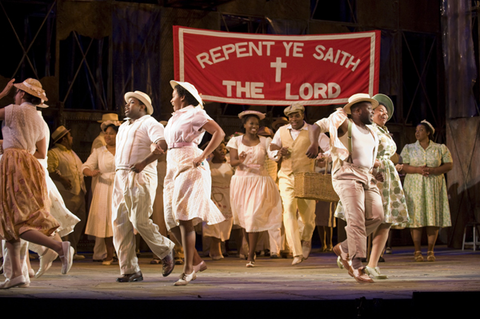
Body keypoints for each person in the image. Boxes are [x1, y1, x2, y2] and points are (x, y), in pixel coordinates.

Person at [0, 78, 73, 289]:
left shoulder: (14, 110)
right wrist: (17, 144)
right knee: (11, 221)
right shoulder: (40, 120)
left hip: (14, 164)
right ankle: (17, 275)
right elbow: (41, 152)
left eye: (16, 92)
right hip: (31, 164)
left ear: (22, 95)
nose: (15, 95)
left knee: (15, 221)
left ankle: (58, 247)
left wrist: (3, 93)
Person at [307, 93, 385, 283]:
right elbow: (316, 126)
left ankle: (344, 248)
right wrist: (313, 143)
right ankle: (358, 266)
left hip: (367, 176)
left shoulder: (372, 131)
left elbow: (366, 156)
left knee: (377, 216)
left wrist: (375, 171)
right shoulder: (344, 123)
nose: (372, 112)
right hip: (347, 174)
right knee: (356, 219)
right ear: (357, 110)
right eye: (369, 108)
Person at [334, 94, 409, 279]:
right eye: (378, 111)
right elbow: (352, 149)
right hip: (366, 174)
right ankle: (355, 259)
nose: (383, 114)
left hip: (387, 176)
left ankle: (371, 264)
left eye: (386, 112)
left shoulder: (383, 131)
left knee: (384, 219)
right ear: (369, 112)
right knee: (362, 218)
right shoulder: (364, 128)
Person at [164, 80, 225, 286]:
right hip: (172, 165)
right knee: (170, 218)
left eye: (173, 94)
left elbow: (219, 132)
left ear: (182, 96)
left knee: (183, 216)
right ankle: (197, 262)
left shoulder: (195, 113)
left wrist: (203, 156)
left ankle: (188, 270)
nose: (171, 98)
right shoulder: (175, 117)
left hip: (190, 163)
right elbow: (172, 143)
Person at [112, 90, 175, 282]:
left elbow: (162, 144)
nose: (127, 105)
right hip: (121, 175)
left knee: (138, 220)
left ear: (142, 107)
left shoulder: (150, 122)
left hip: (140, 174)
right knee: (119, 223)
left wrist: (144, 162)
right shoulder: (123, 127)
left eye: (131, 102)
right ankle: (130, 270)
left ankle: (165, 249)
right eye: (127, 102)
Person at [270, 103, 329, 265]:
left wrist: (322, 157)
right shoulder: (282, 131)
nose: (293, 119)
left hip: (306, 178)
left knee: (308, 217)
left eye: (296, 115)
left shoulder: (313, 130)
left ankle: (306, 239)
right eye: (291, 116)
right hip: (286, 176)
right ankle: (296, 252)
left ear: (302, 115)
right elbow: (272, 149)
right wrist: (278, 153)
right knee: (288, 211)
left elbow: (329, 148)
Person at [228, 110, 283, 267]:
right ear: (244, 125)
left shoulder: (265, 141)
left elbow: (273, 156)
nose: (254, 126)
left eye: (257, 124)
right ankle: (249, 250)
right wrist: (239, 160)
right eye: (251, 123)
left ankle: (251, 256)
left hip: (259, 181)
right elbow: (231, 162)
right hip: (241, 181)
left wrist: (279, 153)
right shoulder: (235, 141)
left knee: (252, 217)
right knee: (245, 220)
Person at [398, 120, 453, 262]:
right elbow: (402, 166)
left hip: (433, 185)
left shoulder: (440, 148)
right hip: (415, 186)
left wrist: (434, 170)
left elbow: (449, 164)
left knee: (431, 217)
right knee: (416, 217)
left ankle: (430, 250)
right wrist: (417, 170)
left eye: (421, 130)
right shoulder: (409, 148)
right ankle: (417, 251)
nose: (417, 132)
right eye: (416, 130)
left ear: (428, 132)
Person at [82, 122, 119, 265]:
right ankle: (109, 255)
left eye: (111, 133)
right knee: (106, 222)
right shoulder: (99, 151)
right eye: (106, 133)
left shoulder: (124, 149)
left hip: (119, 187)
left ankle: (123, 254)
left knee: (120, 221)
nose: (108, 136)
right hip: (104, 187)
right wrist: (90, 172)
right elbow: (85, 166)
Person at [48, 126, 87, 259]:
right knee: (65, 223)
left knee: (79, 222)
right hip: (66, 194)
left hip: (78, 194)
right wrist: (61, 178)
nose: (72, 138)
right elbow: (49, 170)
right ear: (64, 139)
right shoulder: (54, 153)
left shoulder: (72, 153)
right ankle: (64, 252)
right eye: (69, 136)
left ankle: (73, 250)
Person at [204, 141, 234, 260]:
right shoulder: (207, 163)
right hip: (213, 194)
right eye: (219, 149)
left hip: (228, 193)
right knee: (214, 222)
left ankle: (217, 247)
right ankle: (215, 249)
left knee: (225, 222)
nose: (222, 151)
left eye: (224, 149)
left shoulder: (230, 162)